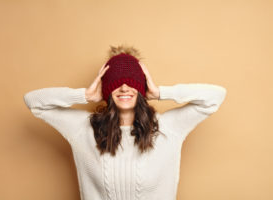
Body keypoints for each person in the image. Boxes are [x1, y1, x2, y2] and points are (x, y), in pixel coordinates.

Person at [23, 44, 227, 200]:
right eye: (116, 82)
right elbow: (34, 103)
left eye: (131, 82)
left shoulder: (168, 128)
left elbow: (215, 97)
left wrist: (160, 93)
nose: (124, 88)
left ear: (141, 88)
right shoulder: (84, 129)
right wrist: (85, 95)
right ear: (106, 90)